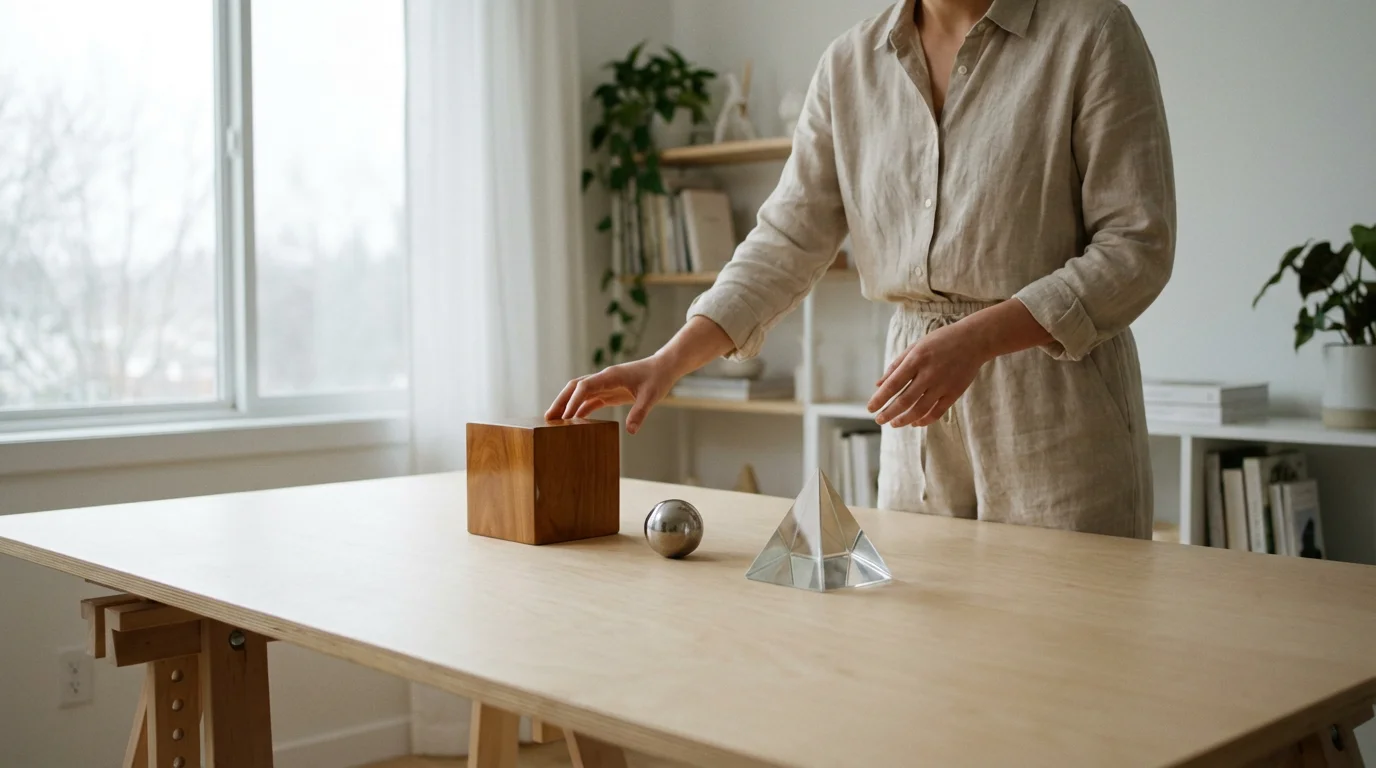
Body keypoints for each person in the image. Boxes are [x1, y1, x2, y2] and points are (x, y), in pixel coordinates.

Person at [547, 0, 1175, 539]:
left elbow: (1136, 245)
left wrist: (980, 338)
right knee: (927, 647)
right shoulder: (848, 66)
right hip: (917, 406)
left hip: (1055, 398)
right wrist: (671, 359)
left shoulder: (1092, 33)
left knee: (1068, 645)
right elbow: (786, 239)